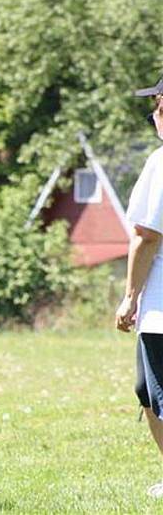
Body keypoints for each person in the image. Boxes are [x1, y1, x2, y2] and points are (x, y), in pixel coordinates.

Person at [115, 73, 163, 498]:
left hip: (162, 309)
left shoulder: (161, 163)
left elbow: (146, 235)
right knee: (145, 390)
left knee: (159, 393)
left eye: (156, 105)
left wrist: (130, 296)